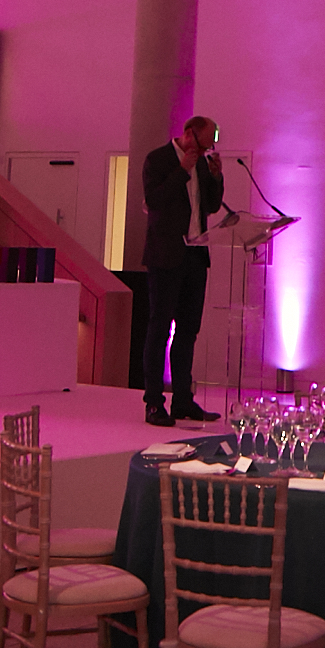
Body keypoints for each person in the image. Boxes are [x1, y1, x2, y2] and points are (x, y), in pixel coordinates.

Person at [135, 112, 232, 427]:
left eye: (207, 151)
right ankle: (153, 402)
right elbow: (155, 200)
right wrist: (182, 170)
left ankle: (182, 400)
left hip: (195, 253)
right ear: (189, 134)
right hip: (166, 255)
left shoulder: (201, 163)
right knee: (160, 328)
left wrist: (216, 177)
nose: (204, 154)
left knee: (188, 330)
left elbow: (212, 206)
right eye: (203, 147)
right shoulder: (159, 159)